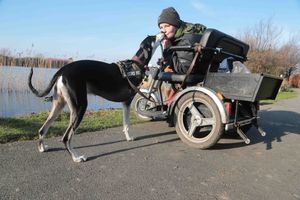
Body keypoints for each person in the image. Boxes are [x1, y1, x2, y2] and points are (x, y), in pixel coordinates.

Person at [157, 7, 207, 105]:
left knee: (165, 72)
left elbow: (184, 69)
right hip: (201, 70)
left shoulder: (184, 39)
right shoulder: (188, 32)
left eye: (166, 26)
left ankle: (171, 107)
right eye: (161, 27)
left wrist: (167, 50)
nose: (163, 31)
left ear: (175, 25)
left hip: (190, 74)